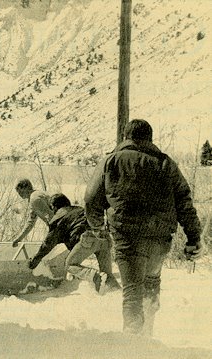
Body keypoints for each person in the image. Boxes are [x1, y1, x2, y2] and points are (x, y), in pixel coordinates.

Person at [84, 119, 204, 335]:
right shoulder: (166, 163)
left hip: (126, 237)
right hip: (159, 238)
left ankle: (133, 347)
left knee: (132, 293)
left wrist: (98, 228)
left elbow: (91, 199)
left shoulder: (111, 161)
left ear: (125, 137)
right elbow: (184, 202)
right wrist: (194, 237)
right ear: (150, 138)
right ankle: (148, 336)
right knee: (151, 283)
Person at [28, 193, 120, 294]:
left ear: (54, 207)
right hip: (104, 238)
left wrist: (35, 260)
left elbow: (48, 244)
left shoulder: (58, 220)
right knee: (107, 274)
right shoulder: (79, 209)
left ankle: (94, 276)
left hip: (87, 239)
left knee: (69, 265)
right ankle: (116, 293)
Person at [11, 179, 54, 247]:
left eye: (20, 190)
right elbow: (30, 222)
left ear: (27, 188)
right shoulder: (35, 196)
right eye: (17, 191)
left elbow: (50, 216)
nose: (19, 193)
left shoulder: (34, 198)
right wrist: (19, 238)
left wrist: (53, 234)